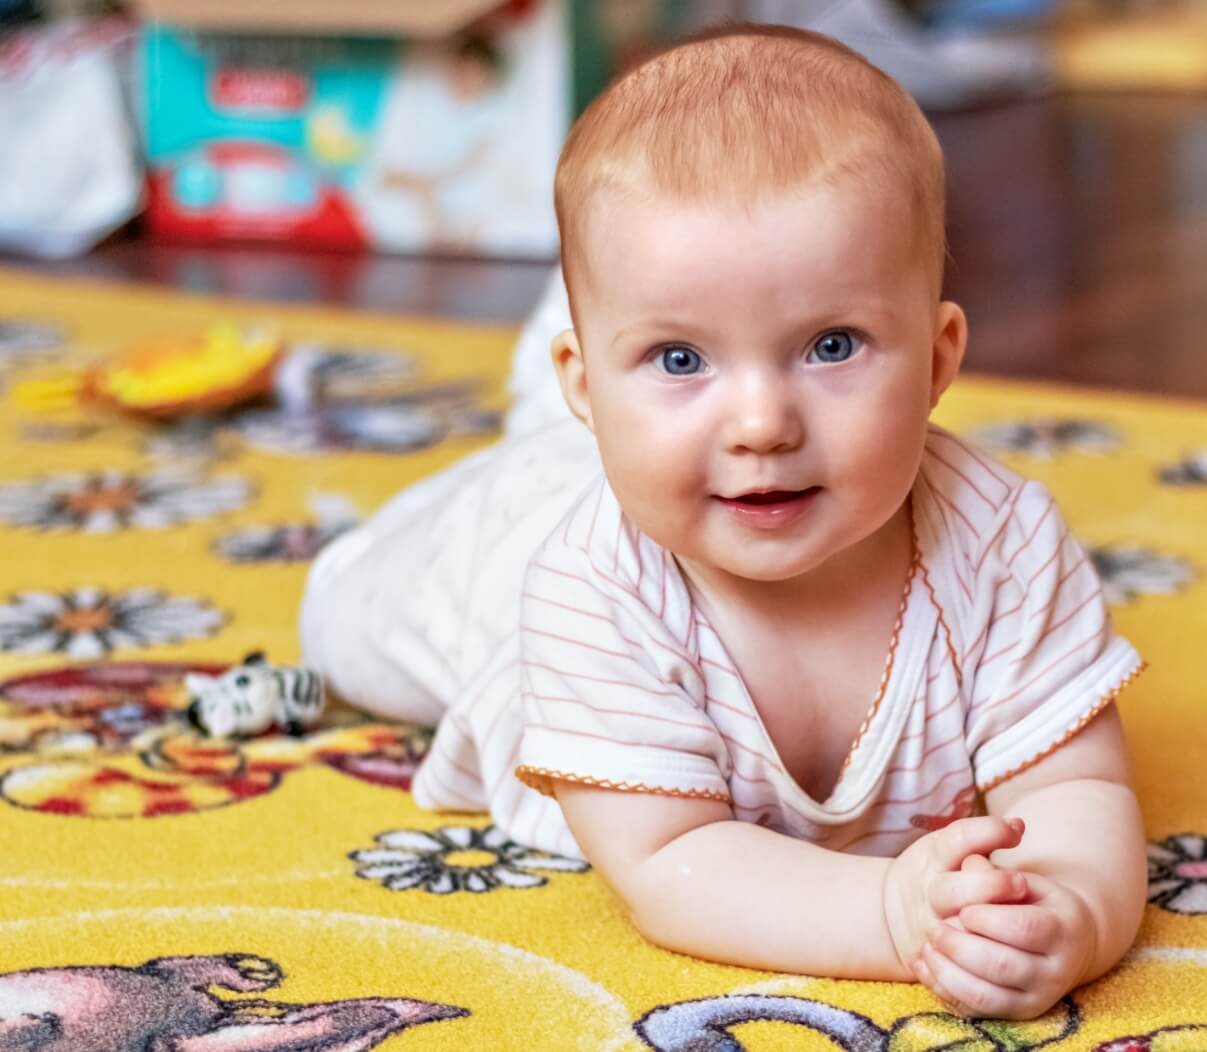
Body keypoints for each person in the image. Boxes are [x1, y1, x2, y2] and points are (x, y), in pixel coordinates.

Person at [300, 23, 1147, 1020]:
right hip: (504, 548)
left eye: (830, 344)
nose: (760, 424)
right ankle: (549, 396)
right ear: (594, 382)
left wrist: (1066, 906)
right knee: (346, 628)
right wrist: (894, 908)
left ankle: (615, 349)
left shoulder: (1000, 546)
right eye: (680, 355)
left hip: (645, 458)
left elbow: (1078, 790)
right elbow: (669, 856)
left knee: (640, 427)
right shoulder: (587, 586)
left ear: (935, 358)